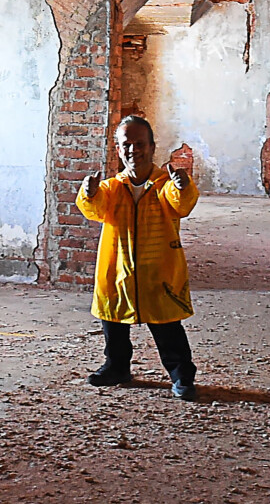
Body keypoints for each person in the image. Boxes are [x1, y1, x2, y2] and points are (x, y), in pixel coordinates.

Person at [75, 115, 199, 401]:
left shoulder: (164, 185)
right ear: (118, 150)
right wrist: (89, 192)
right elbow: (94, 208)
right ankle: (116, 367)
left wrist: (183, 186)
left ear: (152, 147)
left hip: (159, 271)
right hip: (117, 269)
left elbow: (181, 204)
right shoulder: (112, 188)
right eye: (126, 144)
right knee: (113, 323)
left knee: (167, 327)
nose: (133, 150)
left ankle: (182, 376)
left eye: (139, 143)